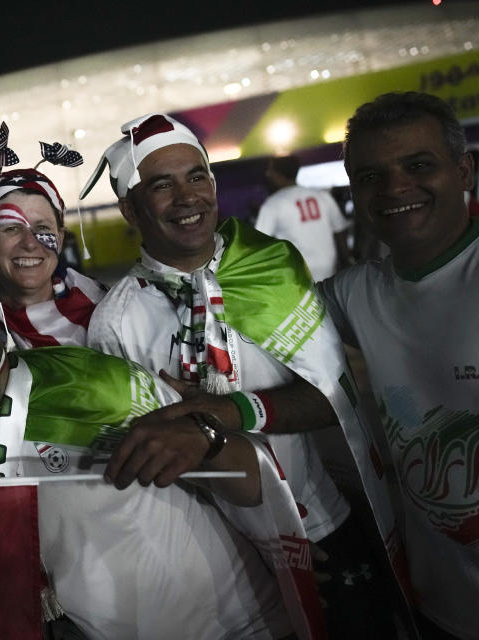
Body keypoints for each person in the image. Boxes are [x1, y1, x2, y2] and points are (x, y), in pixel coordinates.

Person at [0, 254, 326, 640]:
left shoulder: (92, 385)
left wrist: (207, 440)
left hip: (243, 630)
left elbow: (252, 486)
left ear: (0, 333)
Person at [82, 113, 399, 636]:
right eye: (161, 185)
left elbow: (333, 398)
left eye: (197, 176)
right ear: (129, 210)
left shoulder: (269, 264)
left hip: (328, 518)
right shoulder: (116, 324)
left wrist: (226, 410)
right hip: (228, 556)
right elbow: (147, 470)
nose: (187, 196)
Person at [316, 91, 478, 639]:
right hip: (443, 611)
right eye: (370, 176)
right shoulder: (355, 295)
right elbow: (262, 331)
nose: (394, 188)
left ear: (463, 170)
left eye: (418, 165)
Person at [0, 122, 106, 348]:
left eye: (42, 228)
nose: (30, 244)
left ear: (60, 239)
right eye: (12, 229)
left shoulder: (107, 308)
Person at [254, 154, 351, 281]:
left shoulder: (273, 204)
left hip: (298, 275)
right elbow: (340, 232)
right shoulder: (322, 196)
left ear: (278, 173)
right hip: (329, 271)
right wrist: (346, 261)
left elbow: (257, 243)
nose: (267, 174)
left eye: (270, 170)